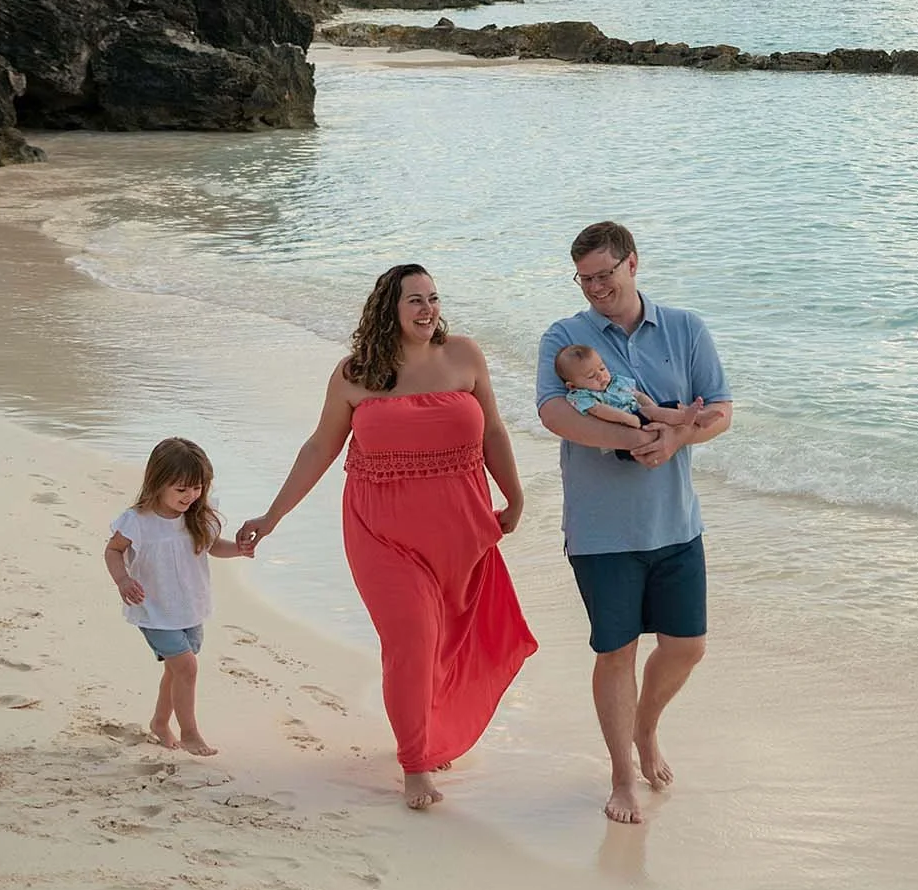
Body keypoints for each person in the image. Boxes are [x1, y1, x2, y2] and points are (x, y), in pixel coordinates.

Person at [237, 265, 537, 811]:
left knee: (447, 643)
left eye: (433, 299)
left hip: (460, 529)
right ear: (389, 311)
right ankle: (416, 763)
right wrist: (273, 516)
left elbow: (493, 429)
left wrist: (514, 496)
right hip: (381, 533)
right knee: (412, 642)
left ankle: (430, 730)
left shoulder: (464, 356)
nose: (428, 310)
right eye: (415, 301)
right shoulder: (356, 374)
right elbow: (319, 449)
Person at [537, 221, 733, 824]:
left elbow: (720, 409)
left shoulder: (685, 328)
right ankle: (622, 777)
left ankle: (645, 729)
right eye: (584, 277)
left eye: (604, 274)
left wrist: (673, 441)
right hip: (602, 532)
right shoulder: (564, 338)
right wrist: (633, 441)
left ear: (632, 264)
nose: (595, 287)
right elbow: (554, 415)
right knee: (616, 652)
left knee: (688, 647)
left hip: (676, 522)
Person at [103, 436, 254, 756]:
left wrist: (238, 550)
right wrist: (122, 579)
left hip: (190, 607)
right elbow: (113, 551)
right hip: (154, 609)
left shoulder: (196, 516)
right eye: (181, 489)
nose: (190, 496)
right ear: (158, 482)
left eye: (197, 487)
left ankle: (160, 722)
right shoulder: (137, 520)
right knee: (186, 668)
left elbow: (213, 547)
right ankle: (190, 733)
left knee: (176, 670)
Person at [554, 343, 723, 456]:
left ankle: (697, 417)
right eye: (591, 376)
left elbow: (637, 395)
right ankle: (688, 418)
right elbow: (602, 411)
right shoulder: (580, 396)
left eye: (602, 368)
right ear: (572, 385)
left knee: (671, 406)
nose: (601, 376)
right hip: (625, 430)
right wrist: (629, 419)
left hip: (641, 416)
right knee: (651, 412)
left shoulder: (615, 382)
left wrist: (655, 409)